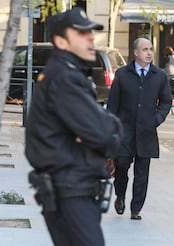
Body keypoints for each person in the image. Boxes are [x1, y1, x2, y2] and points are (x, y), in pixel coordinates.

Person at [25, 7, 123, 246]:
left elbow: (104, 131)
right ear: (61, 41)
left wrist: (102, 128)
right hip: (70, 192)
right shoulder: (64, 78)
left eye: (91, 32)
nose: (90, 37)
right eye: (81, 33)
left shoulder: (72, 75)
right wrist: (107, 128)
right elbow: (105, 134)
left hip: (74, 189)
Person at [107, 38, 172, 220]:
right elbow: (113, 104)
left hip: (147, 132)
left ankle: (136, 209)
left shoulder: (159, 75)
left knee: (142, 174)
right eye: (145, 49)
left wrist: (157, 119)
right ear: (136, 53)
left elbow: (167, 101)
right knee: (121, 167)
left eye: (151, 49)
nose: (149, 53)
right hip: (124, 131)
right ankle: (120, 195)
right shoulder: (122, 74)